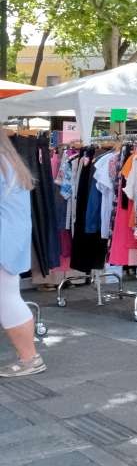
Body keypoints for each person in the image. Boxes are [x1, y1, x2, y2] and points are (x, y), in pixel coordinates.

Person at [0, 130, 43, 377]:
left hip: (5, 239)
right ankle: (29, 358)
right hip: (11, 238)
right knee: (7, 297)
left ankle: (30, 359)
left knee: (7, 299)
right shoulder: (9, 161)